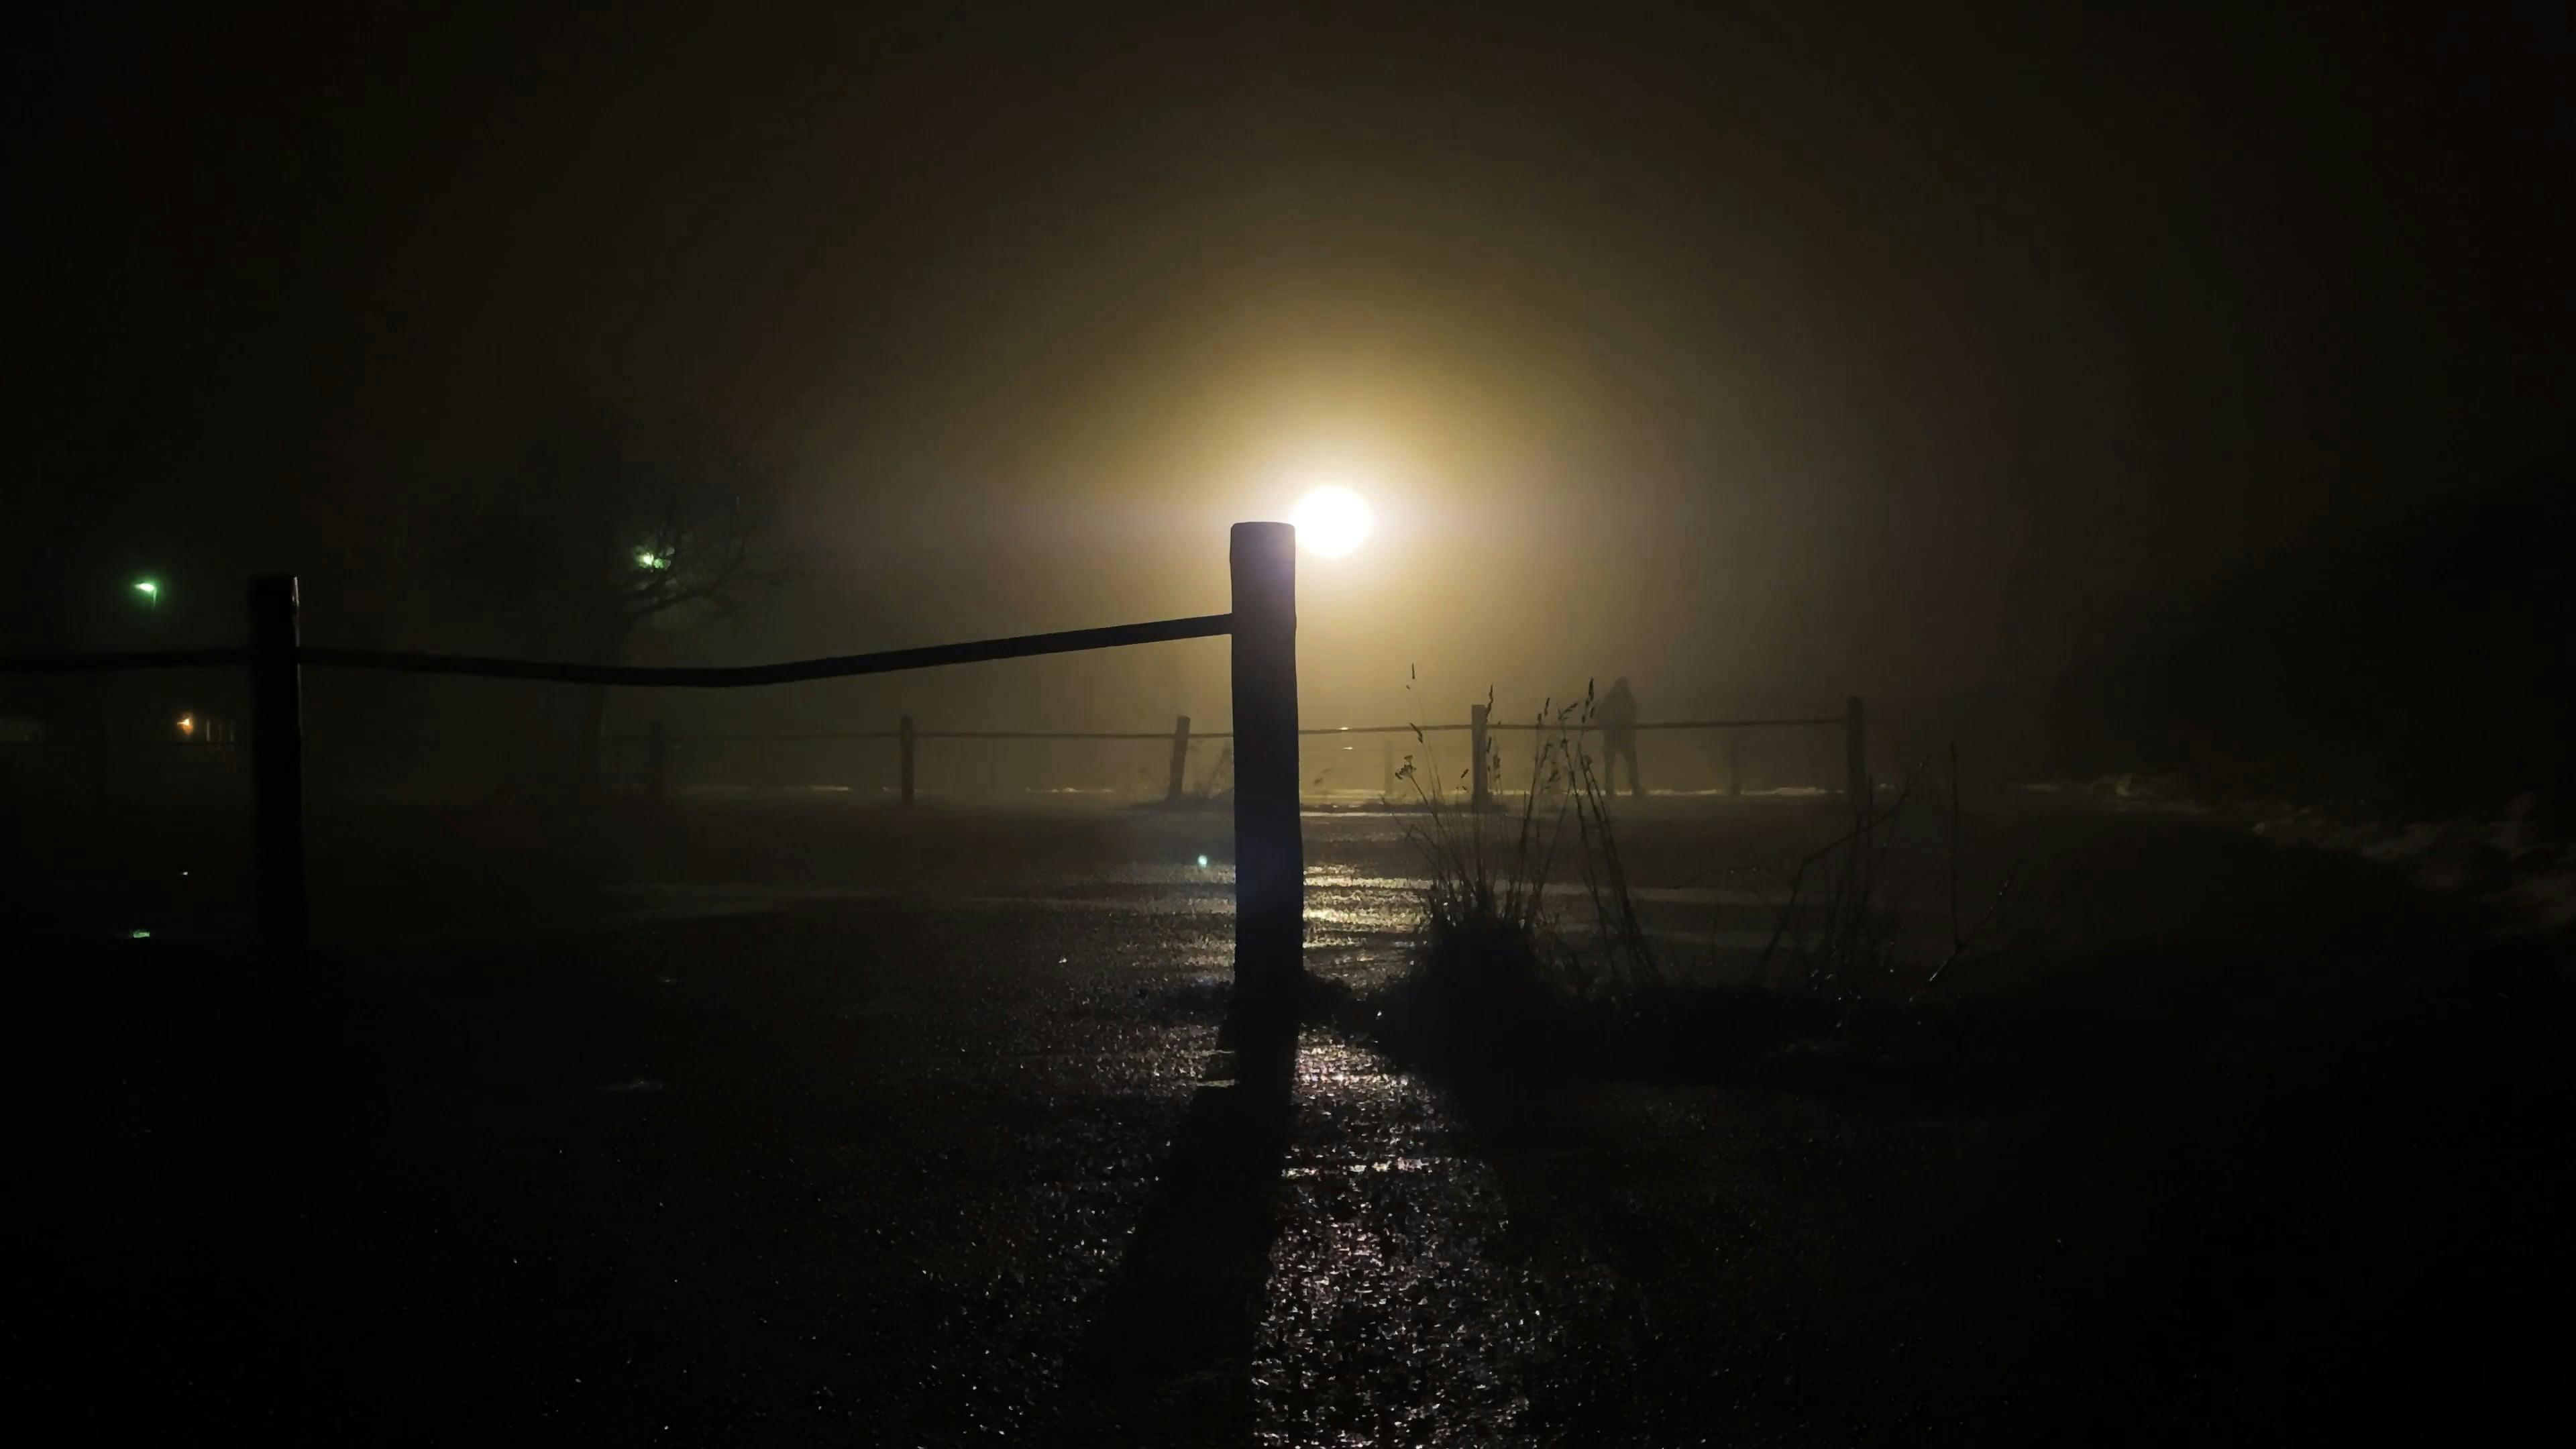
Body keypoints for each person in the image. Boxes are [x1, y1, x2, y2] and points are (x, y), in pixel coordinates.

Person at [1599, 676, 1642, 798]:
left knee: (1618, 765)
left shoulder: (1613, 700)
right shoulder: (1625, 700)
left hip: (1617, 738)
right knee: (1626, 764)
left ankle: (1630, 788)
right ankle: (1632, 789)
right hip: (1620, 738)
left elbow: (1599, 716)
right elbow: (1633, 715)